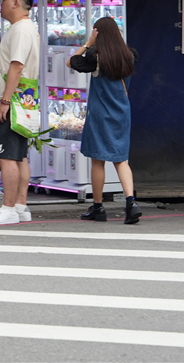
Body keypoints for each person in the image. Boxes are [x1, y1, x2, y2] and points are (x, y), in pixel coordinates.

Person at [68, 16, 141, 225]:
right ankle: (131, 202)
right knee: (121, 159)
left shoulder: (95, 57)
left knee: (97, 160)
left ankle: (98, 207)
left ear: (97, 33)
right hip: (122, 112)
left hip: (100, 114)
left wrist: (87, 43)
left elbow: (70, 61)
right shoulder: (130, 55)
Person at [0, 0, 40, 226]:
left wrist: (4, 101)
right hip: (23, 99)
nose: (1, 4)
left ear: (16, 2)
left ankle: (7, 208)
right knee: (19, 157)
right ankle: (19, 205)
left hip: (13, 100)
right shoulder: (26, 28)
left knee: (6, 156)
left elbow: (16, 66)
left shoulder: (20, 30)